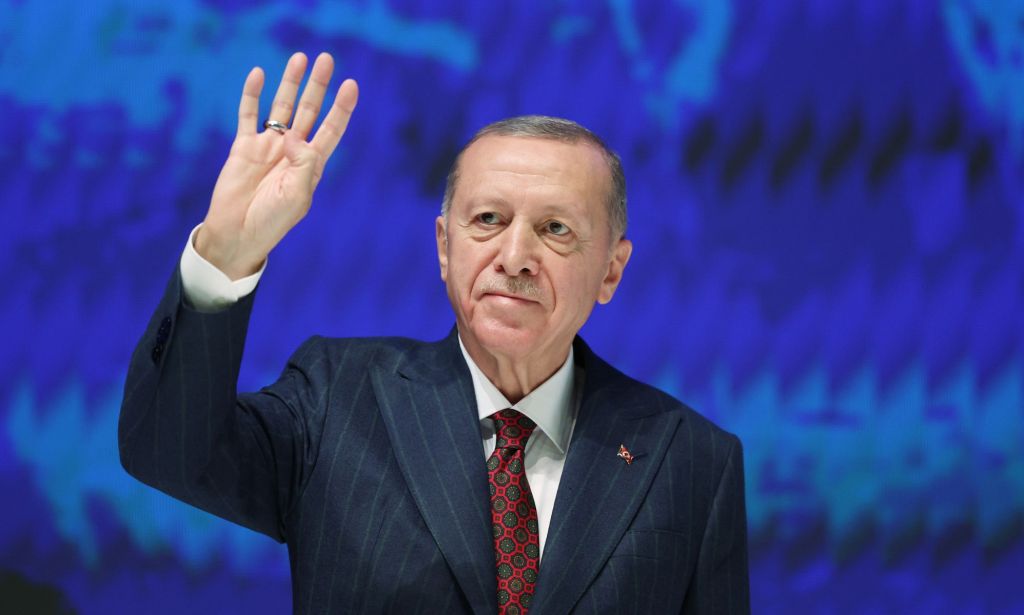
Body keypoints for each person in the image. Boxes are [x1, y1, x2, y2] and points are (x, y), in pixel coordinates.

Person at [119, 51, 750, 614]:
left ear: (611, 269)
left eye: (556, 229)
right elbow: (168, 452)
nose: (515, 256)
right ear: (445, 248)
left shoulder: (692, 460)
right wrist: (225, 257)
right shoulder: (335, 398)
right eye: (488, 219)